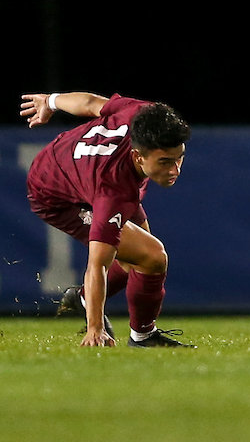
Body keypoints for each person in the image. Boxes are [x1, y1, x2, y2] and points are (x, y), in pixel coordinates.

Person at [20, 91, 194, 348]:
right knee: (152, 256)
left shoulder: (144, 114)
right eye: (165, 161)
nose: (175, 169)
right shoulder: (112, 190)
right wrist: (95, 329)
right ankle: (143, 337)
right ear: (138, 156)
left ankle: (84, 300)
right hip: (55, 194)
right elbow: (97, 264)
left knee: (140, 260)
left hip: (74, 163)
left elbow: (91, 104)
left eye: (179, 157)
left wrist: (51, 101)